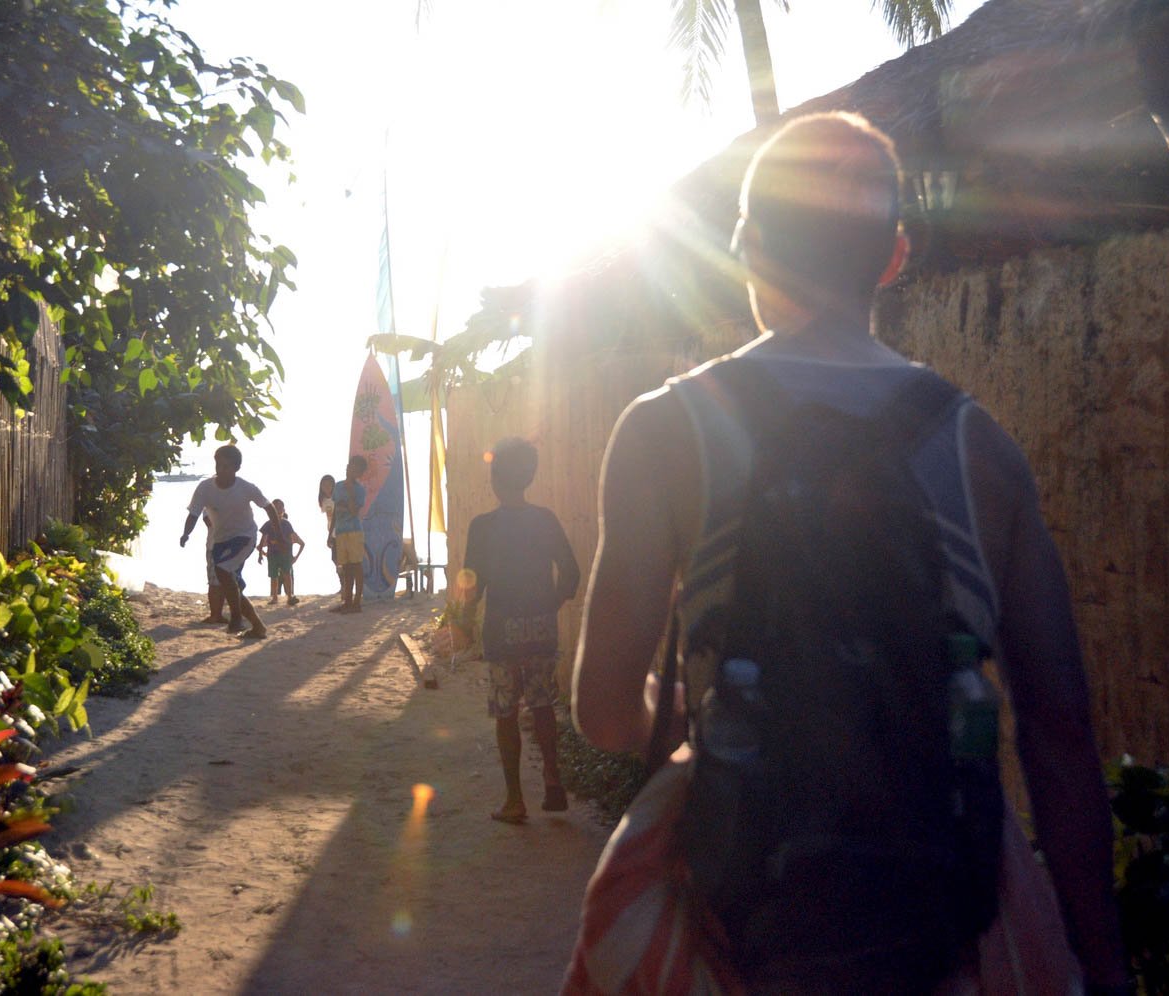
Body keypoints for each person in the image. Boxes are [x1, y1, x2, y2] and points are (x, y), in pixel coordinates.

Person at [565, 113, 1132, 994]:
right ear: (894, 257)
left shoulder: (664, 431)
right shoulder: (983, 449)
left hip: (735, 924)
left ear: (748, 247)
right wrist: (1105, 965)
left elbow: (602, 709)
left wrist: (698, 724)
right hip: (953, 921)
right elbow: (1060, 735)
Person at [462, 437, 581, 825]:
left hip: (502, 633)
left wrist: (463, 624)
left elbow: (472, 588)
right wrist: (550, 604)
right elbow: (572, 573)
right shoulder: (545, 520)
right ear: (528, 477)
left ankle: (515, 800)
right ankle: (552, 780)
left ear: (496, 479)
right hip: (541, 631)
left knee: (506, 713)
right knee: (543, 704)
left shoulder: (482, 528)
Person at [180, 444, 279, 639]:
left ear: (236, 468)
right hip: (220, 541)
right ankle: (258, 627)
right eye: (218, 465)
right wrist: (186, 533)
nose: (221, 470)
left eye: (226, 466)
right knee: (231, 585)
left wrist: (279, 534)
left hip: (245, 537)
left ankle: (236, 619)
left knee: (223, 571)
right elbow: (194, 513)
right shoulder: (205, 488)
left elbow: (268, 507)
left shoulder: (245, 487)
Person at [330, 455, 367, 614]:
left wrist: (351, 492)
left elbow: (353, 511)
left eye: (354, 468)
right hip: (341, 531)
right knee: (345, 567)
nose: (349, 469)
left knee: (356, 566)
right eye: (349, 466)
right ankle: (348, 602)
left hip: (354, 531)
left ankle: (357, 602)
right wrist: (331, 533)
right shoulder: (338, 487)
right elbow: (336, 511)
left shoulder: (360, 490)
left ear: (359, 472)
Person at [258, 498, 305, 606]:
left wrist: (293, 554)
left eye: (280, 507)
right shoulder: (268, 524)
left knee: (287, 574)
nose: (279, 510)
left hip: (285, 553)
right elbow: (262, 539)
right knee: (273, 576)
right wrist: (261, 554)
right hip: (272, 554)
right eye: (276, 507)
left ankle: (289, 596)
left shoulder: (286, 524)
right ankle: (274, 597)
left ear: (284, 509)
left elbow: (293, 538)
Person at [318, 474, 342, 597]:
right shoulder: (324, 501)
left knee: (341, 559)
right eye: (324, 485)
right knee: (335, 559)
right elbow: (329, 518)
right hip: (332, 533)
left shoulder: (337, 498)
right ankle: (342, 584)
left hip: (341, 531)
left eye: (329, 485)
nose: (326, 487)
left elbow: (336, 517)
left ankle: (345, 584)